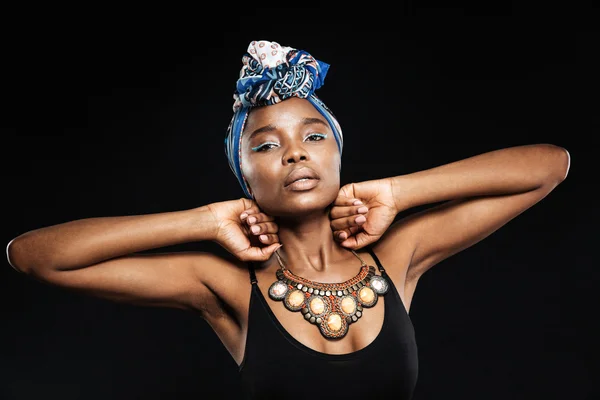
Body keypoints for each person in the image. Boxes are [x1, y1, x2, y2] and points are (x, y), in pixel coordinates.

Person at [6, 40, 570, 400]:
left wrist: (398, 191)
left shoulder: (395, 256)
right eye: (266, 145)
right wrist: (203, 220)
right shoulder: (223, 284)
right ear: (245, 178)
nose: (296, 153)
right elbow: (34, 256)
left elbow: (548, 166)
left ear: (337, 156)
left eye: (314, 136)